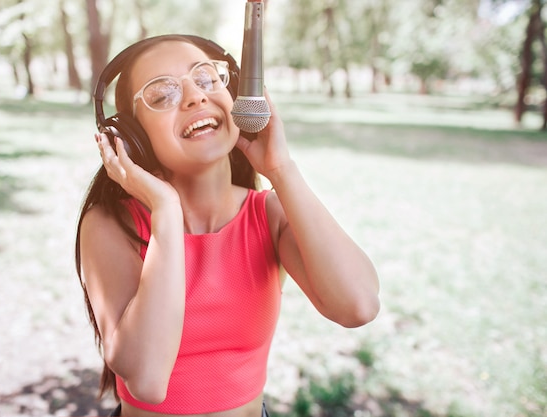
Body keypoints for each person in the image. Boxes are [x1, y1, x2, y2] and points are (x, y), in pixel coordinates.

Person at [75, 34, 380, 417]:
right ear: (132, 138)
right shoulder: (110, 224)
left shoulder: (268, 214)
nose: (195, 97)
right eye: (162, 94)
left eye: (205, 79)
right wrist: (165, 212)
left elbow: (359, 306)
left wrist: (281, 170)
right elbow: (148, 381)